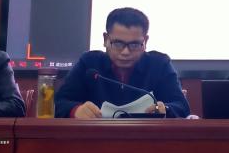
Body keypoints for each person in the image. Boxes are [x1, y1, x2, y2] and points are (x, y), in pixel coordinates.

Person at [54, 7, 190, 119]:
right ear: (106, 39)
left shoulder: (160, 64)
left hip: (146, 139)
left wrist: (165, 109)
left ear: (145, 41)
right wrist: (75, 110)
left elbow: (181, 106)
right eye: (118, 43)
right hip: (96, 139)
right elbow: (60, 103)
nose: (125, 52)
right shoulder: (89, 63)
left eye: (134, 44)